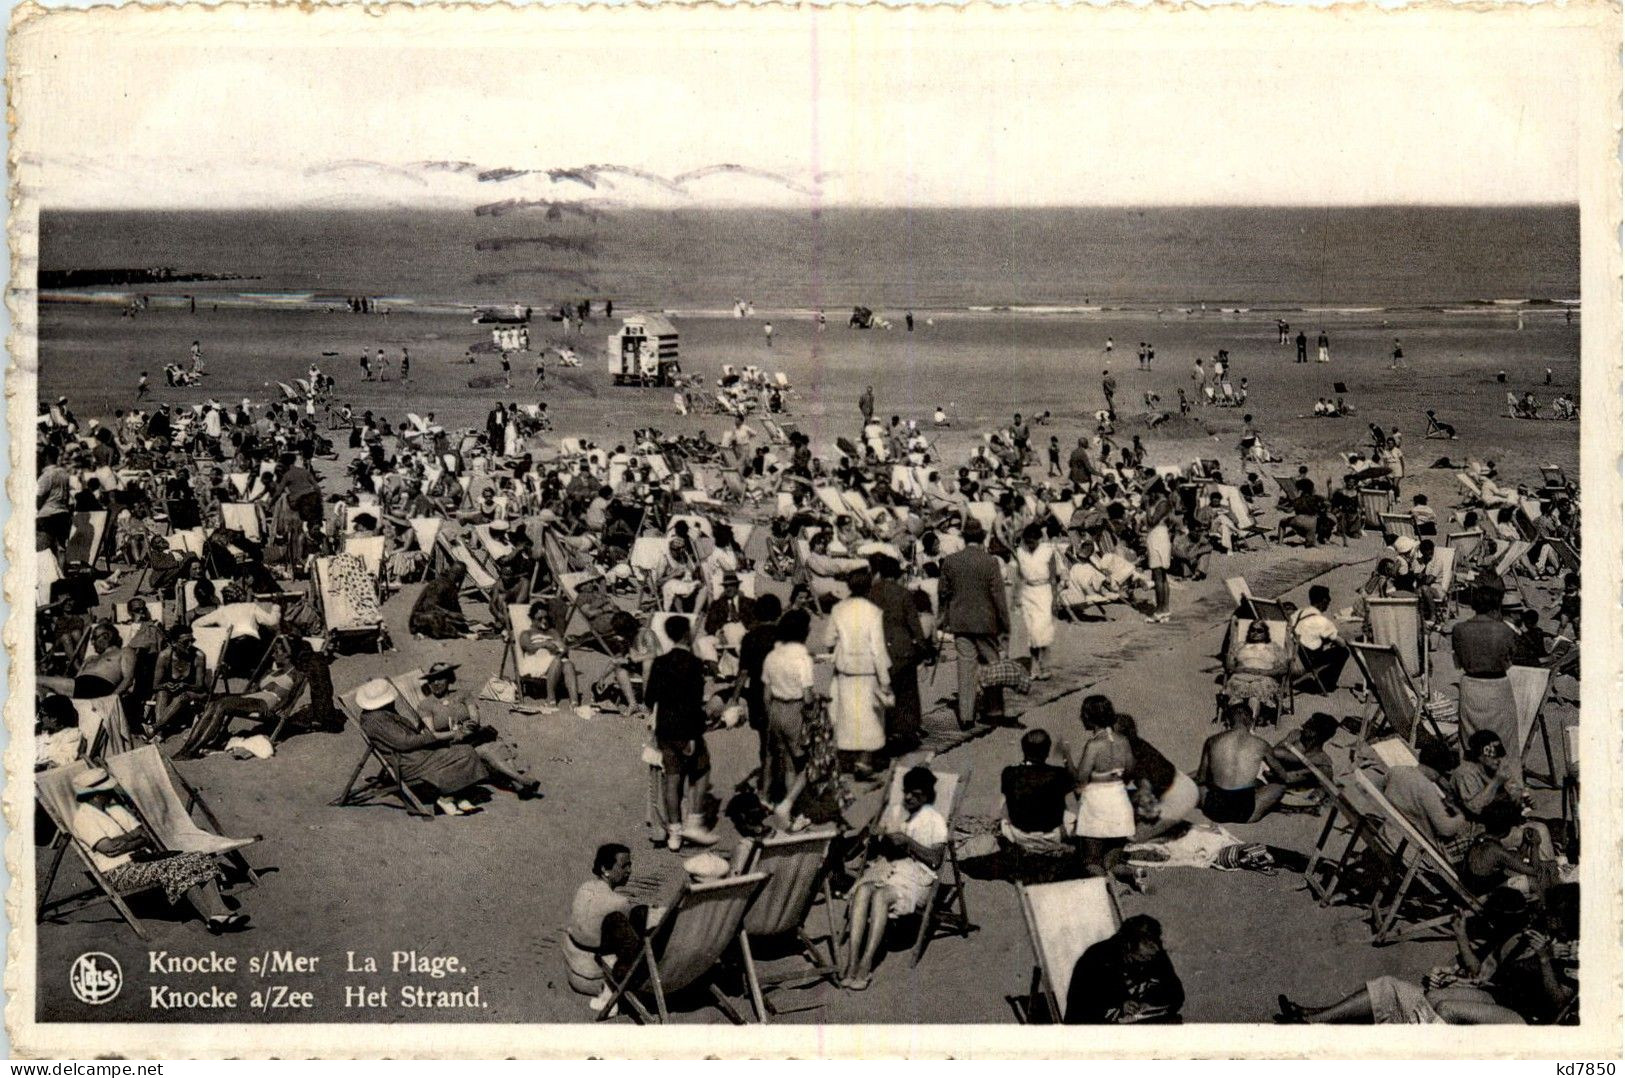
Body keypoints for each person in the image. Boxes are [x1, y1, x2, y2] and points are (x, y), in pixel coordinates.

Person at [1278, 888, 1576, 1025]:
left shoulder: (1574, 957)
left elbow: (1558, 1008)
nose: (1540, 914)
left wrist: (1545, 961)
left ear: (1565, 920)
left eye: (1550, 914)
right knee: (1407, 990)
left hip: (1528, 1021)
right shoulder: (1526, 937)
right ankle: (1313, 1018)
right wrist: (1460, 934)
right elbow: (1480, 975)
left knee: (1445, 1009)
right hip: (1499, 1000)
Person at [68, 767, 249, 934]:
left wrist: (128, 840)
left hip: (143, 861)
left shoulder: (114, 809)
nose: (111, 792)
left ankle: (221, 912)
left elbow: (145, 835)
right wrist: (133, 838)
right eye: (107, 790)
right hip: (116, 872)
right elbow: (110, 850)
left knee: (198, 856)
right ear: (96, 795)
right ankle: (209, 918)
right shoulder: (83, 818)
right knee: (175, 866)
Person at [841, 766, 947, 990]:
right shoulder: (896, 811)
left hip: (917, 877)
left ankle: (866, 963)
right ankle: (852, 961)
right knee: (862, 891)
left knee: (880, 896)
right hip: (890, 868)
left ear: (926, 797)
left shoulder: (935, 820)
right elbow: (865, 844)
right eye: (906, 791)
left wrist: (909, 842)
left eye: (915, 794)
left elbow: (936, 860)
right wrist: (875, 833)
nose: (908, 797)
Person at [355, 677, 495, 816]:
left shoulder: (381, 713)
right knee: (465, 752)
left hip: (416, 754)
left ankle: (458, 795)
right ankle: (446, 799)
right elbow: (405, 742)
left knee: (464, 750)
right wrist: (436, 736)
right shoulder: (376, 720)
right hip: (410, 760)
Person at [644, 615, 719, 851]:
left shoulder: (660, 662)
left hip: (665, 728)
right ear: (686, 634)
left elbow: (649, 698)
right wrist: (695, 734)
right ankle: (694, 822)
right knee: (702, 770)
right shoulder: (694, 663)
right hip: (687, 728)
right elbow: (694, 702)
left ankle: (674, 833)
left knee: (672, 779)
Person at [561, 843, 663, 1013]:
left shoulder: (584, 888)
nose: (629, 870)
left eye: (630, 865)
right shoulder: (619, 903)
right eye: (624, 866)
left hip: (573, 968)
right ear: (605, 869)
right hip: (594, 979)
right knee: (636, 923)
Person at [415, 662, 541, 799]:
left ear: (449, 679)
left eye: (440, 678)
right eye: (432, 680)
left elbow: (475, 717)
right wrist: (454, 734)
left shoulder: (462, 694)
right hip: (451, 745)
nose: (435, 683)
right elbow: (432, 734)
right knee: (488, 749)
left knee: (496, 745)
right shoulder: (426, 705)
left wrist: (470, 726)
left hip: (472, 736)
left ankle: (519, 787)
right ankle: (521, 780)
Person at [939, 518, 1011, 729]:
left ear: (964, 538)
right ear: (981, 538)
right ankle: (994, 710)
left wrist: (943, 618)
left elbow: (943, 592)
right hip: (985, 622)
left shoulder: (950, 561)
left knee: (965, 667)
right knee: (992, 666)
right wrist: (1005, 624)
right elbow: (999, 597)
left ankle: (966, 716)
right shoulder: (990, 562)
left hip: (960, 621)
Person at [822, 568, 892, 778]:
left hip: (846, 671)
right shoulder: (873, 612)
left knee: (846, 715)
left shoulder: (838, 610)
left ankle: (846, 760)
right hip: (868, 671)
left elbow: (827, 640)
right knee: (869, 717)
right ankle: (864, 760)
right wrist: (885, 680)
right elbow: (878, 649)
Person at [1063, 695, 1138, 879]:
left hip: (1096, 808)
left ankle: (1101, 883)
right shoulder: (1123, 741)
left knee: (1091, 861)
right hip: (1120, 805)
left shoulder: (1094, 745)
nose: (1081, 718)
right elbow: (1129, 773)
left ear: (1089, 717)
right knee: (1112, 861)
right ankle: (1129, 872)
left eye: (1083, 714)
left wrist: (1067, 759)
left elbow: (1080, 780)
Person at [1453, 586, 1521, 781]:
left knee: (1469, 739)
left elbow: (1458, 662)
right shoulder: (1504, 631)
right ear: (1497, 606)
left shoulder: (1459, 629)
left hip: (1471, 687)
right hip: (1498, 687)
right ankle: (1508, 785)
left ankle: (1471, 783)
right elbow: (1509, 661)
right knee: (1505, 740)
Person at [1064, 915, 1184, 1024]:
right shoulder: (1097, 959)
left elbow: (1176, 994)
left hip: (1140, 1024)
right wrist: (1120, 1006)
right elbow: (1081, 1007)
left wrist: (1149, 1003)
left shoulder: (1155, 955)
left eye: (1156, 943)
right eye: (1148, 944)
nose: (1155, 949)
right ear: (1128, 944)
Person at [868, 554, 927, 753]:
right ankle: (907, 733)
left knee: (882, 692)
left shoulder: (870, 593)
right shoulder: (903, 594)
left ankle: (884, 731)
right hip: (902, 649)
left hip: (877, 649)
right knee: (907, 694)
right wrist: (923, 647)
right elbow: (914, 626)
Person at [1196, 704, 1284, 824]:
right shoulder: (1262, 744)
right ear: (1251, 721)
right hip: (1243, 813)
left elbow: (1201, 778)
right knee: (1279, 787)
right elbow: (1283, 776)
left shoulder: (1212, 740)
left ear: (1227, 721)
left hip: (1214, 810)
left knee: (1200, 785)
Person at [998, 728, 1075, 851]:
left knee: (1005, 801)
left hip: (1018, 835)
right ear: (1047, 751)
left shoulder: (1008, 772)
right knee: (1070, 807)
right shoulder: (1058, 773)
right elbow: (1076, 785)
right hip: (1052, 836)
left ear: (1023, 749)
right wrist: (1066, 756)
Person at [1013, 524, 1060, 681]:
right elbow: (1019, 576)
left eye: (1032, 541)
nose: (1030, 545)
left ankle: (1045, 665)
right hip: (1028, 593)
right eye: (1027, 542)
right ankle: (1034, 666)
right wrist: (1015, 597)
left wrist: (1055, 598)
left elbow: (1053, 578)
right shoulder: (1020, 552)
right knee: (1032, 632)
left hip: (1044, 591)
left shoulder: (1048, 551)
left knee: (1043, 630)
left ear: (1038, 539)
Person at [1224, 620, 1289, 726]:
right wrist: (1243, 669)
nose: (1255, 633)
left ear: (1266, 633)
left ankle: (1251, 725)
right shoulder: (1240, 646)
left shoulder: (1274, 647)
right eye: (1252, 630)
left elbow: (1284, 668)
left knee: (1255, 694)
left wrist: (1264, 672)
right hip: (1240, 676)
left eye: (1259, 631)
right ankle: (1236, 724)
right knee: (1237, 694)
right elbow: (1229, 666)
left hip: (1264, 678)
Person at [1289, 585, 1350, 691]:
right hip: (1307, 662)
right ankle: (1327, 684)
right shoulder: (1322, 621)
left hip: (1294, 657)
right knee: (1343, 651)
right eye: (1328, 599)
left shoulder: (1298, 613)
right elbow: (1342, 644)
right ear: (1324, 601)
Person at [1141, 478, 1175, 623]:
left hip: (1158, 537)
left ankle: (1160, 610)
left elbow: (1152, 521)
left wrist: (1147, 506)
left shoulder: (1162, 504)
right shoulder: (1164, 503)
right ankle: (1165, 609)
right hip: (1158, 536)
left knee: (1158, 576)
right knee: (1162, 576)